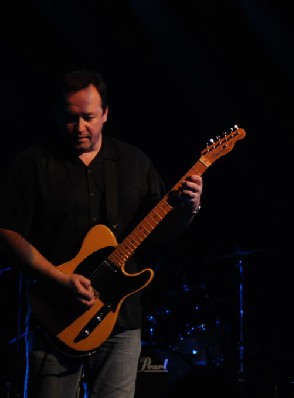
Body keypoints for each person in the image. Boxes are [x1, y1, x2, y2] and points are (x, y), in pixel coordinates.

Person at [0, 69, 203, 398]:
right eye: (70, 118)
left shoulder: (134, 162)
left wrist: (189, 208)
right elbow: (7, 232)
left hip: (121, 320)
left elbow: (162, 234)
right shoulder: (32, 164)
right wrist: (58, 278)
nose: (80, 128)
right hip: (56, 320)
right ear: (56, 115)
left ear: (106, 114)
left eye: (89, 117)